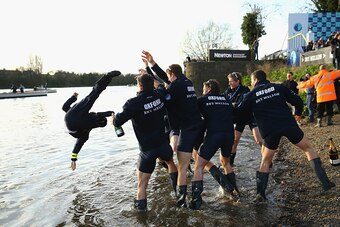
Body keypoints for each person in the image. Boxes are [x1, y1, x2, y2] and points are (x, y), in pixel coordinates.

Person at [236, 70, 335, 202]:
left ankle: (260, 194)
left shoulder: (251, 95)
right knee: (308, 149)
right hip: (288, 125)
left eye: (252, 81)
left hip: (270, 131)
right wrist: (298, 113)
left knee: (265, 161)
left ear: (255, 81)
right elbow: (297, 101)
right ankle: (326, 184)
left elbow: (239, 114)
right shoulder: (279, 87)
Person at [142, 50, 203, 207]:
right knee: (199, 164)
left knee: (182, 167)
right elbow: (166, 80)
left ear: (173, 75)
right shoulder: (187, 82)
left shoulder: (176, 86)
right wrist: (152, 64)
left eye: (169, 76)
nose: (168, 79)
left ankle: (182, 203)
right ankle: (197, 200)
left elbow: (164, 93)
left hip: (187, 128)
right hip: (198, 126)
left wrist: (156, 84)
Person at [112, 73, 178, 210]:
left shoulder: (133, 103)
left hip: (147, 150)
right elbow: (161, 86)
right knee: (170, 161)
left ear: (140, 86)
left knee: (142, 185)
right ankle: (176, 192)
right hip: (163, 145)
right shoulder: (159, 95)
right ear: (151, 84)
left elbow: (118, 121)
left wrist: (113, 118)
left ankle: (142, 216)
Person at [190, 79, 237, 209]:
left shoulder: (202, 100)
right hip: (229, 135)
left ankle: (196, 201)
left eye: (204, 88)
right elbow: (234, 114)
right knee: (226, 163)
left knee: (198, 166)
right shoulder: (226, 99)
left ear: (209, 88)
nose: (203, 90)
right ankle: (233, 192)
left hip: (214, 135)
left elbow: (192, 114)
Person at [62, 71, 121, 171]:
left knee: (93, 94)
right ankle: (107, 78)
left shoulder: (86, 127)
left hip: (70, 118)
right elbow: (78, 145)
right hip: (71, 123)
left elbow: (65, 107)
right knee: (94, 97)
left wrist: (73, 98)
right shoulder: (86, 132)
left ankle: (107, 77)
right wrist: (73, 158)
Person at [225, 72, 263, 166]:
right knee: (234, 141)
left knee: (259, 140)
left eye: (231, 81)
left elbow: (243, 104)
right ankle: (230, 164)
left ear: (238, 81)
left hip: (250, 116)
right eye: (228, 81)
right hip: (239, 118)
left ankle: (267, 158)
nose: (229, 84)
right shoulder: (228, 91)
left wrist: (233, 105)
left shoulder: (245, 90)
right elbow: (224, 101)